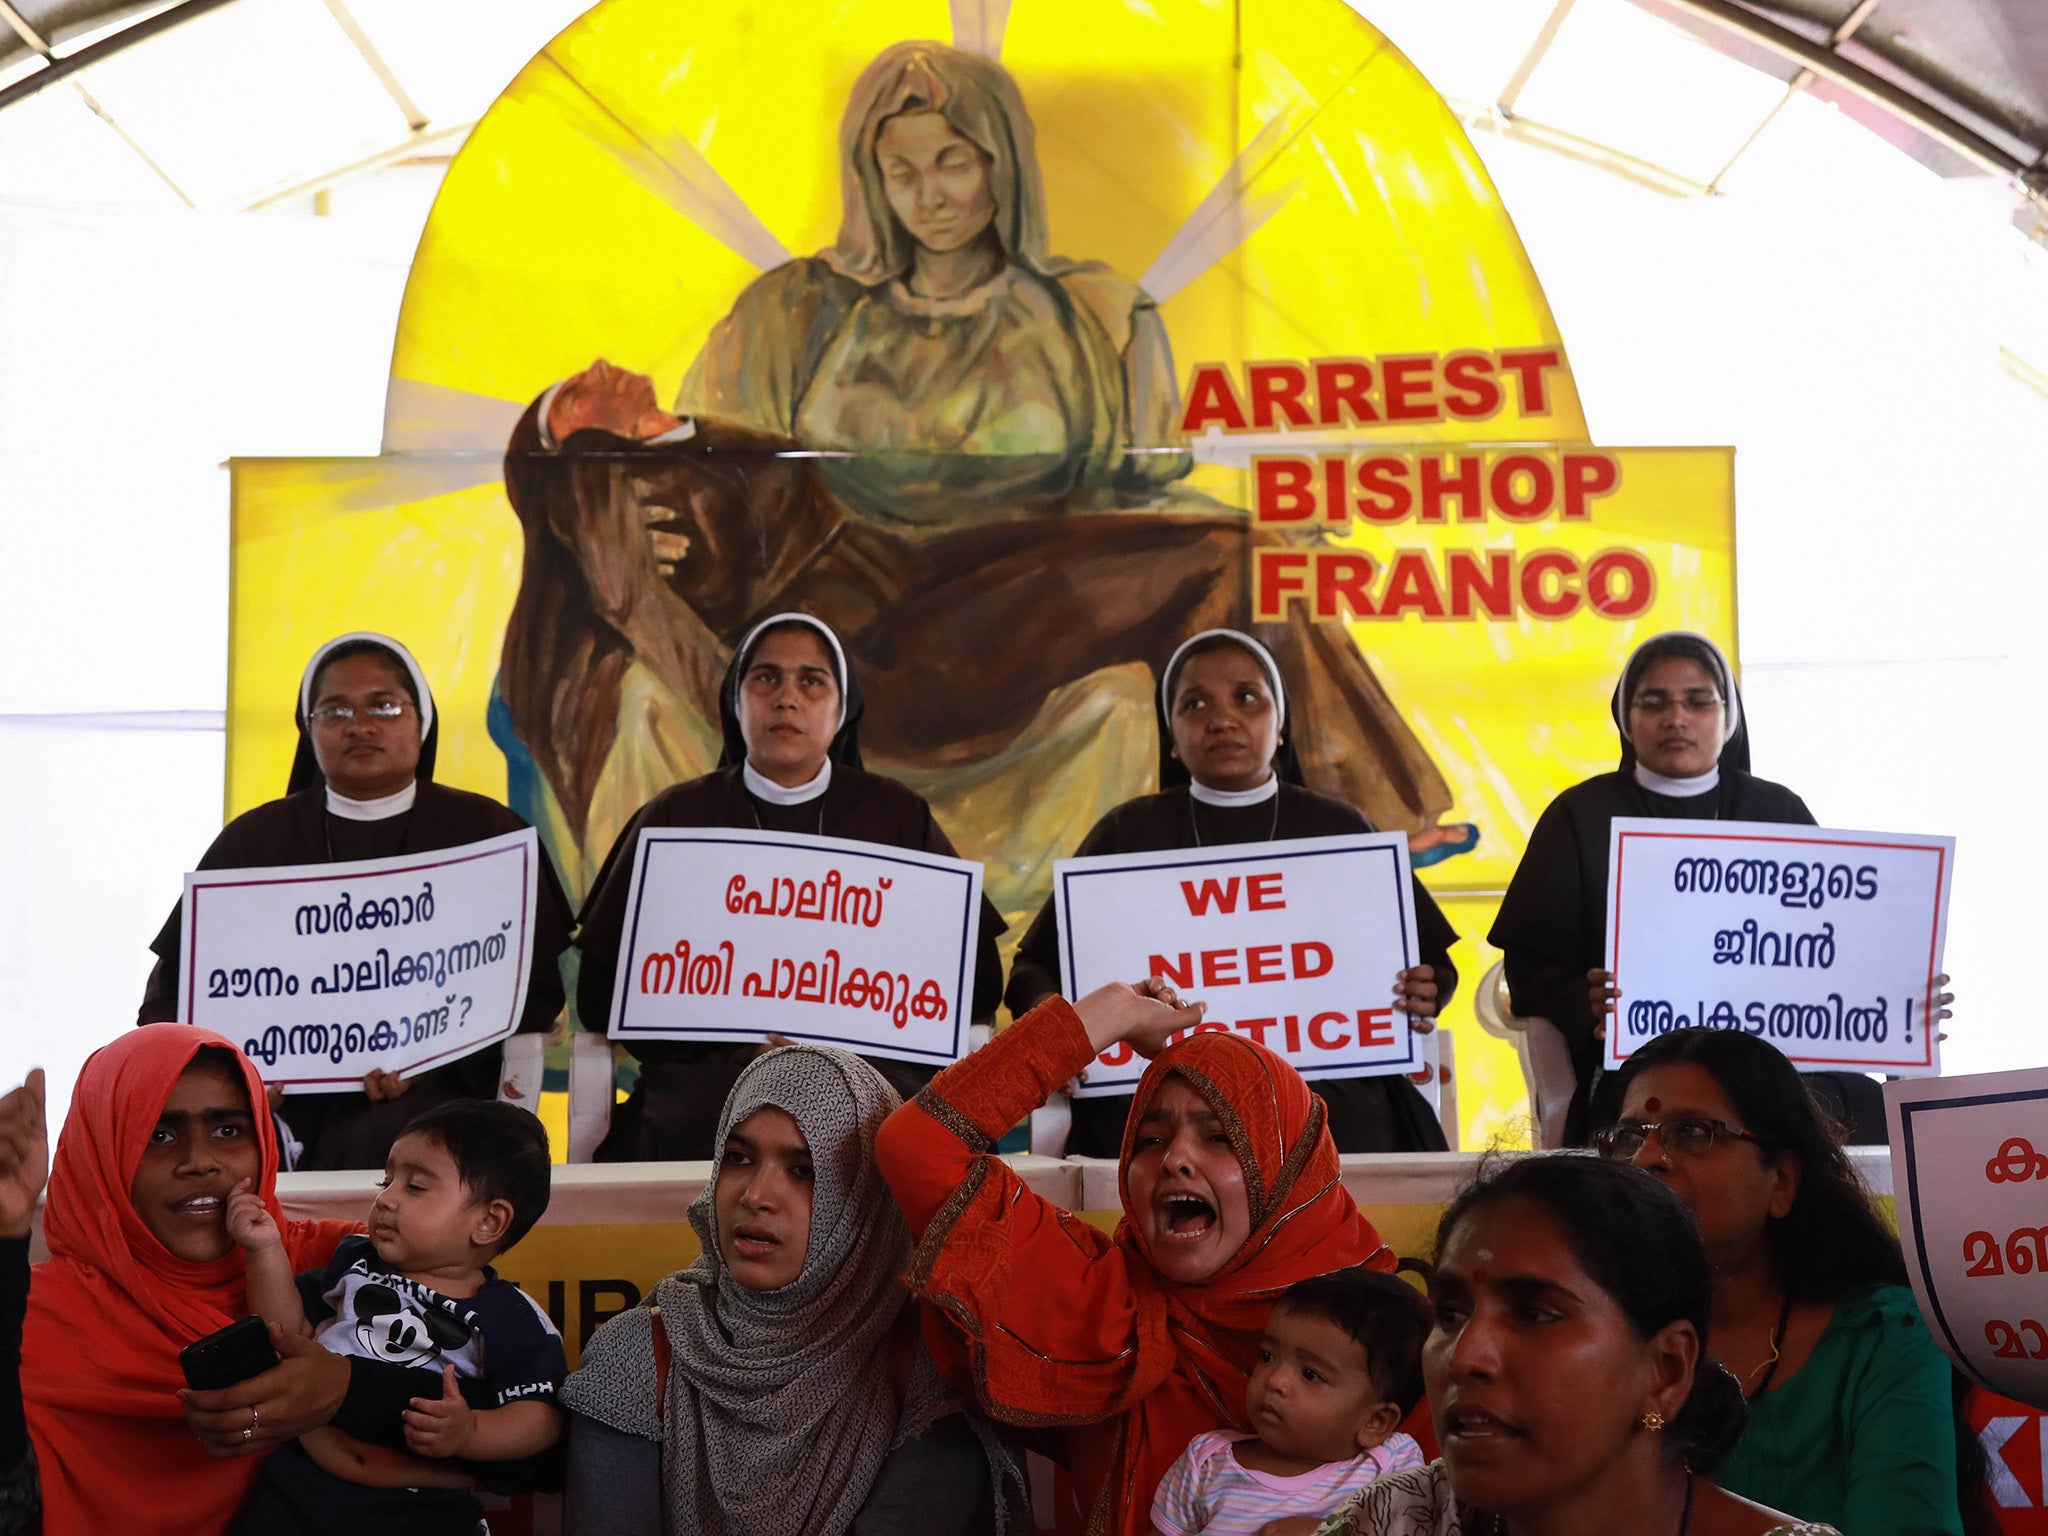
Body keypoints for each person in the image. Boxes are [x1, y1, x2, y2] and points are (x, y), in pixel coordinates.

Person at [496, 39, 1473, 934]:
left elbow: (1126, 494)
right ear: (868, 180)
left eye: (952, 162)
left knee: (1248, 557)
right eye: (901, 169)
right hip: (857, 615)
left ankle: (1347, 848)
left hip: (1018, 591)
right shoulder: (795, 314)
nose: (929, 194)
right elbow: (701, 501)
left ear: (1001, 163)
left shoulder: (1090, 312)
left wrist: (1233, 524)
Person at [876, 981, 1398, 1536]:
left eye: (1220, 1138)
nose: (1175, 1159)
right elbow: (916, 1146)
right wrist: (1112, 1013)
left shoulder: (1380, 1339)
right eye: (1149, 1140)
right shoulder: (1104, 1304)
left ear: (1288, 1172)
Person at [1007, 629, 1462, 1155]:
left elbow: (1431, 963)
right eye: (1195, 704)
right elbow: (1031, 970)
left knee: (1357, 1118)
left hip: (1322, 1089)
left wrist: (1429, 988)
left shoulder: (1340, 829)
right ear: (1172, 736)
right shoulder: (1125, 835)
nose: (1222, 719)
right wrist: (1054, 1014)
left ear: (1281, 723)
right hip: (1160, 1092)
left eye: (1247, 698)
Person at [573, 611, 1008, 1161]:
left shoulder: (897, 817)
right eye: (765, 678)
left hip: (867, 1080)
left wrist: (837, 1034)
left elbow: (975, 983)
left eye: (811, 681)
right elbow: (601, 991)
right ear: (737, 702)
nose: (786, 698)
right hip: (714, 1078)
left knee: (917, 1140)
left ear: (840, 708)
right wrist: (738, 1041)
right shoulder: (677, 817)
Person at [140, 632, 574, 1171]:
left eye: (384, 706)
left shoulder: (486, 833)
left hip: (434, 1089)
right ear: (309, 727)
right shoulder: (254, 841)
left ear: (422, 720)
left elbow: (530, 995)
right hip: (273, 1101)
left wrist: (429, 1051)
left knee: (395, 1136)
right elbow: (173, 998)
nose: (360, 726)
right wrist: (240, 1080)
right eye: (335, 710)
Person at [558, 1042, 1021, 1535]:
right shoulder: (636, 1356)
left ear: (867, 1195)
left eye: (804, 1171)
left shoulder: (930, 1364)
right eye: (738, 1158)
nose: (756, 1196)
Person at [1489, 630, 1888, 1145]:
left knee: (1861, 1103)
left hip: (1780, 1062)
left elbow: (1834, 945)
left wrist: (1900, 997)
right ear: (1626, 720)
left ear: (1728, 718)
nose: (1676, 719)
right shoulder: (1580, 815)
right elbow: (1529, 971)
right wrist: (1587, 1003)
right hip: (1645, 1065)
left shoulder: (1777, 810)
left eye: (1698, 702)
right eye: (1653, 703)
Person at [1309, 1154, 1840, 1536]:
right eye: (1450, 1314)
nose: (1465, 1356)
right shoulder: (1394, 1519)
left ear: (1666, 1371)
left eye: (1536, 1315)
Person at [1601, 1026, 1972, 1535]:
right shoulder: (1594, 1334)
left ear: (1782, 1181)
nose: (1646, 1159)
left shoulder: (1882, 1334)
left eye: (1692, 1132)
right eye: (1628, 1138)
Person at [228, 1099, 566, 1535]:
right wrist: (264, 1250)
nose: (386, 1199)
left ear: (489, 1221)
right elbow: (286, 1331)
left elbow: (542, 1417)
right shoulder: (355, 1261)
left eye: (416, 1187)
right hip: (299, 1487)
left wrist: (471, 1431)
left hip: (418, 1511)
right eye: (385, 1182)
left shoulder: (512, 1316)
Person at [1149, 1269, 1430, 1536]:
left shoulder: (1390, 1462)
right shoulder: (1206, 1462)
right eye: (1267, 1356)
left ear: (1375, 1421)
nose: (1275, 1380)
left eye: (1310, 1374)